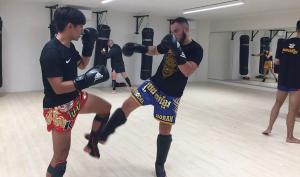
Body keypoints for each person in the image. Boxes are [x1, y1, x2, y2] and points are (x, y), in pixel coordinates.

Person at [94, 17, 203, 177]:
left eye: (176, 31)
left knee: (164, 130)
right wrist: (138, 47)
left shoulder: (196, 49)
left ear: (186, 30)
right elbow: (154, 50)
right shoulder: (170, 41)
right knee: (127, 105)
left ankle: (159, 165)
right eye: (172, 31)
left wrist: (177, 50)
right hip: (153, 85)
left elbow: (188, 71)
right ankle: (105, 134)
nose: (173, 33)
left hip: (171, 95)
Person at [40, 7, 111, 177]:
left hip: (76, 98)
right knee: (60, 159)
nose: (82, 31)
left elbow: (82, 65)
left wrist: (88, 45)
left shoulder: (69, 46)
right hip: (59, 107)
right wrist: (84, 80)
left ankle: (92, 143)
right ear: (70, 26)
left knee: (105, 108)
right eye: (80, 27)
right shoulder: (50, 51)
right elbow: (57, 87)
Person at [262, 20, 300, 144]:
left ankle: (269, 128)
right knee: (292, 110)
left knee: (277, 104)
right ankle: (289, 137)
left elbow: (277, 62)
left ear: (296, 29)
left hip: (283, 79)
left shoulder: (283, 43)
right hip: (296, 81)